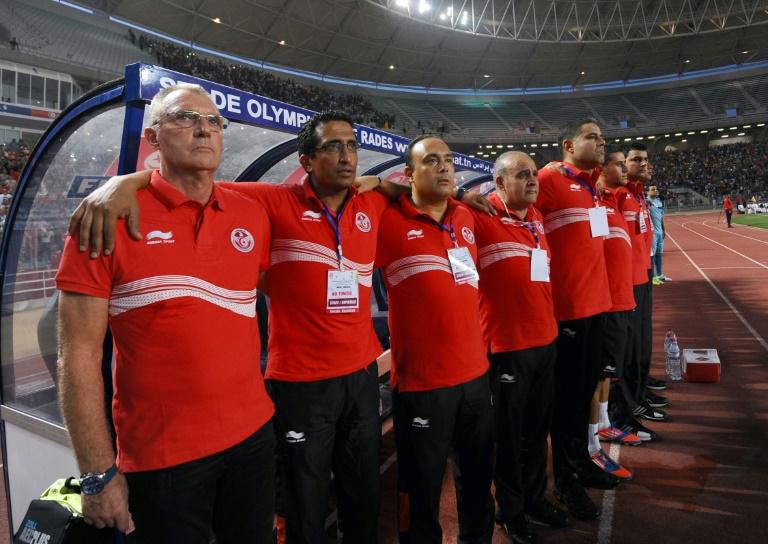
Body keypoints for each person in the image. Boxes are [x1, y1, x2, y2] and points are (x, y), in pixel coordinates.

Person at [69, 110, 495, 544]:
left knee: (363, 498)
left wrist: (443, 191)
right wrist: (126, 182)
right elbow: (196, 182)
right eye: (333, 146)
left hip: (361, 377)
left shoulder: (372, 202)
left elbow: (416, 189)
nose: (346, 156)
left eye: (351, 146)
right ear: (306, 160)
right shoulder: (274, 201)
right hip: (300, 385)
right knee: (305, 505)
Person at [56, 83, 276, 543]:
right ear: (152, 137)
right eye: (184, 118)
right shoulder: (106, 219)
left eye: (214, 121)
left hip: (253, 437)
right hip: (164, 459)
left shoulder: (250, 212)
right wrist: (97, 475)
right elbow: (76, 355)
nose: (203, 129)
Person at [376, 135, 494, 543]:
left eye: (447, 160)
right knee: (421, 491)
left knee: (478, 482)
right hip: (422, 384)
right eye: (431, 161)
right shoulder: (386, 220)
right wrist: (383, 187)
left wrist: (460, 195)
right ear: (409, 173)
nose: (443, 166)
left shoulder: (465, 214)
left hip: (475, 378)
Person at [472, 151, 569, 543]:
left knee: (537, 431)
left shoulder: (537, 218)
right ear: (499, 183)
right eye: (523, 174)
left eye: (534, 174)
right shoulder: (479, 217)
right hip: (507, 347)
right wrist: (463, 196)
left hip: (545, 341)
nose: (532, 180)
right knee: (509, 437)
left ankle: (534, 497)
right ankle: (510, 510)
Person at [536, 119, 615, 521]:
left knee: (584, 395)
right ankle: (565, 482)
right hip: (568, 311)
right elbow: (511, 201)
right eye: (592, 137)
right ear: (568, 144)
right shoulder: (550, 179)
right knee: (566, 402)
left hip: (596, 307)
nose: (601, 142)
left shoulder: (590, 185)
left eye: (602, 138)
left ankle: (581, 462)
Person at [590, 150, 641, 477]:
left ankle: (605, 423)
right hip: (605, 305)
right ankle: (591, 445)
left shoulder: (613, 202)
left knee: (607, 373)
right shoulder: (594, 202)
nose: (625, 169)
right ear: (601, 168)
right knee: (597, 375)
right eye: (618, 164)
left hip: (621, 301)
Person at [646, 185, 669, 283]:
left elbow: (661, 218)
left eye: (656, 189)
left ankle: (660, 275)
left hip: (659, 232)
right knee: (653, 255)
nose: (655, 191)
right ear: (648, 192)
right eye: (653, 189)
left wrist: (663, 230)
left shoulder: (659, 202)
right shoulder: (647, 202)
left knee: (659, 254)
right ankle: (653, 277)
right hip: (653, 233)